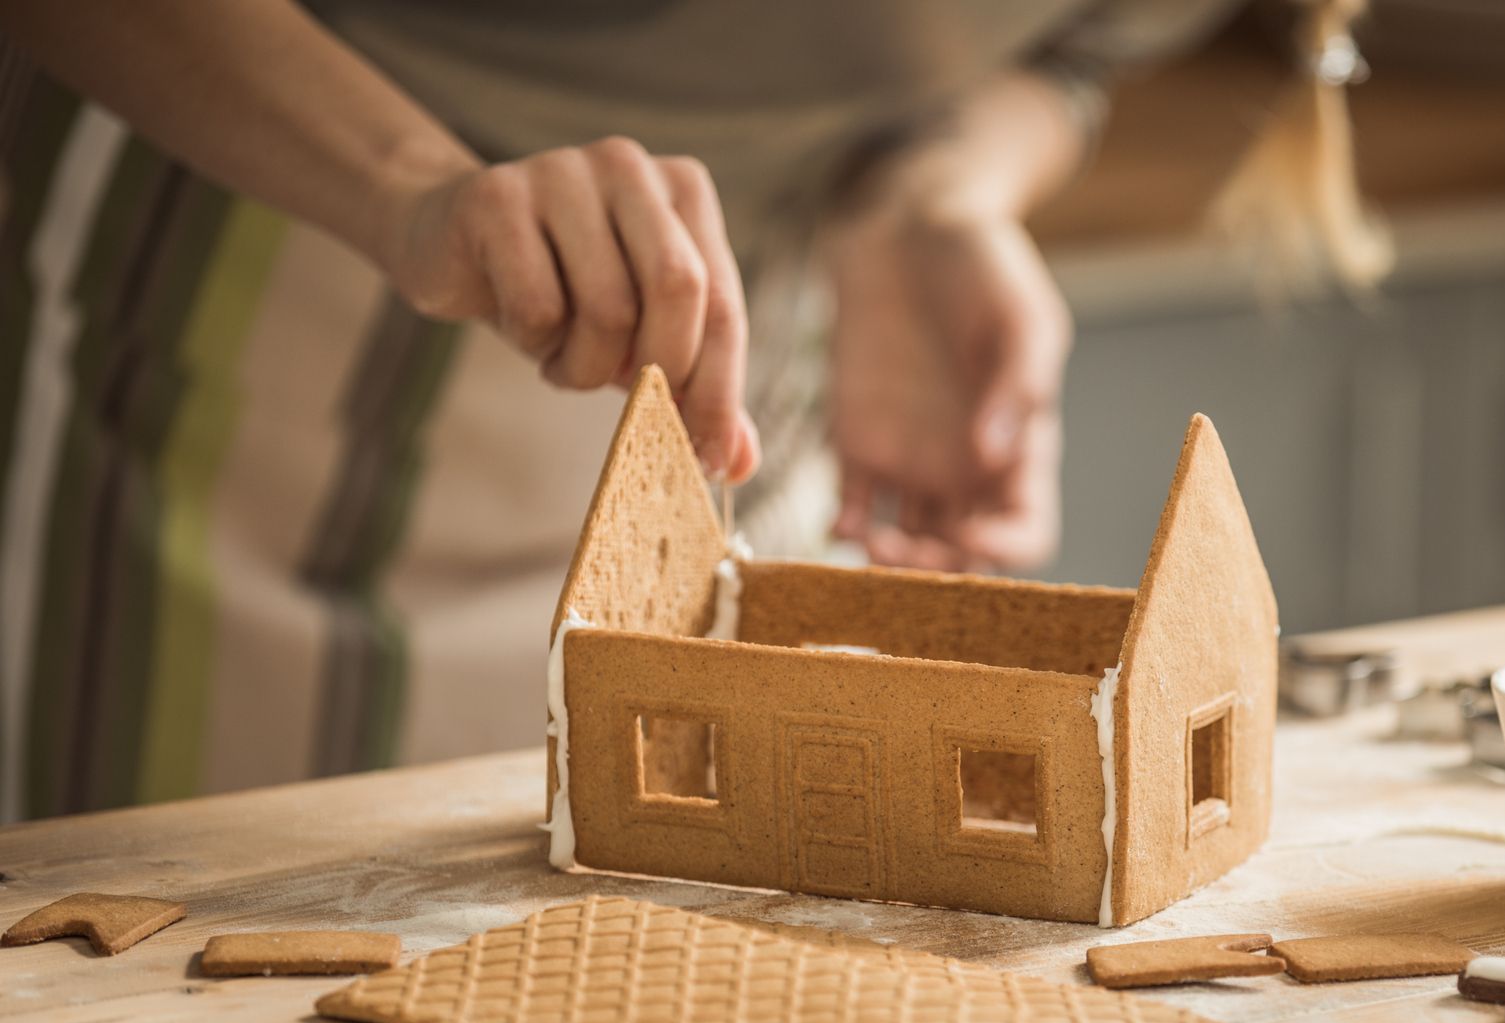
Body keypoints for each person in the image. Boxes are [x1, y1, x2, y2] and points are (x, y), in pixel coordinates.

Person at [0, 0, 1379, 821]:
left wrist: (932, 191)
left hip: (757, 367)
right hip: (266, 308)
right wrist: (414, 186)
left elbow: (1074, 51)